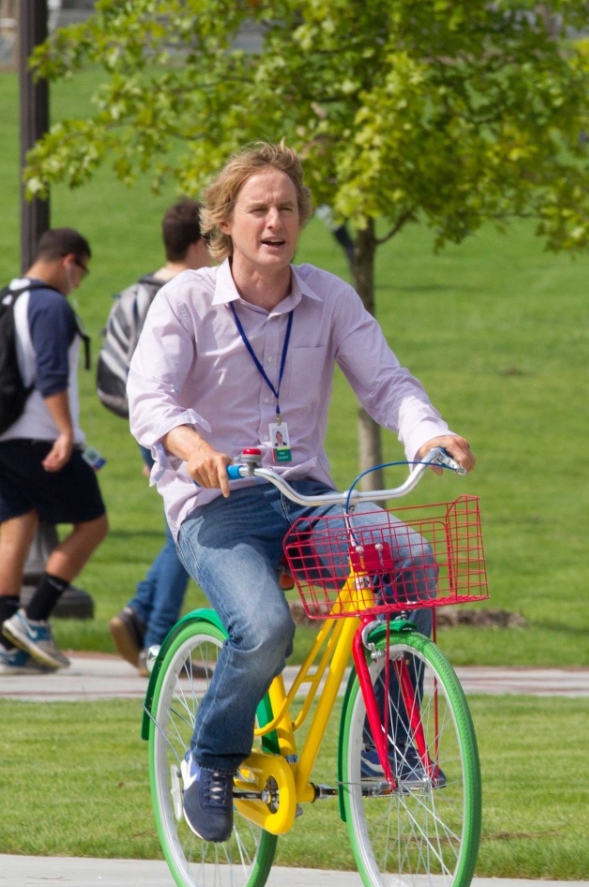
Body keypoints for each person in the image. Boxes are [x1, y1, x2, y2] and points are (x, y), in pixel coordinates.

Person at [126, 141, 473, 843]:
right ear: (225, 220)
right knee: (266, 627)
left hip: (304, 498)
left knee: (408, 559)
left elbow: (387, 383)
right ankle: (210, 758)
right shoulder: (186, 301)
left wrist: (427, 433)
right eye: (258, 208)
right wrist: (189, 445)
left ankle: (389, 747)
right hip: (216, 507)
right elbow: (149, 395)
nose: (274, 220)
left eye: (286, 207)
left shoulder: (328, 298)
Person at [101, 198, 212, 671]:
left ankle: (139, 612)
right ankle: (159, 637)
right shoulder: (190, 293)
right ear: (196, 243)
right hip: (184, 431)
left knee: (181, 524)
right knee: (189, 526)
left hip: (144, 424)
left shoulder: (132, 294)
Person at [0, 228, 108, 674]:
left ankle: (8, 635)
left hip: (4, 436)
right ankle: (35, 617)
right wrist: (66, 431)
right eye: (80, 272)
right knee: (93, 523)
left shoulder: (7, 297)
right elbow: (50, 373)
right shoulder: (50, 304)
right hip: (41, 436)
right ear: (69, 261)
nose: (78, 282)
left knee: (16, 525)